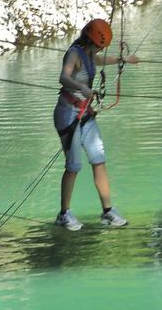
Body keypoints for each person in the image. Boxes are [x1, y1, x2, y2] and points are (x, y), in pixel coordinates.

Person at [53, 18, 138, 230]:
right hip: (68, 113)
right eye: (100, 46)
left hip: (85, 113)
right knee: (74, 165)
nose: (100, 49)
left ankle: (107, 211)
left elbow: (99, 61)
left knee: (98, 158)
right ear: (93, 42)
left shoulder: (89, 53)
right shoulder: (74, 54)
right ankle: (64, 214)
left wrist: (123, 59)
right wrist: (81, 88)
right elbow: (63, 77)